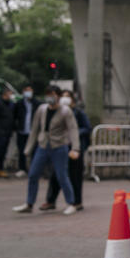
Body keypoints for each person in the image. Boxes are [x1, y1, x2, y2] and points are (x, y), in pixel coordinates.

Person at [11, 85, 80, 216]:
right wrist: (28, 148)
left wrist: (75, 148)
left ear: (58, 96)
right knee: (33, 174)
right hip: (43, 146)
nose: (50, 97)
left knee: (62, 176)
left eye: (53, 94)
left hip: (59, 147)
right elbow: (35, 129)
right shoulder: (42, 109)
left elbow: (73, 129)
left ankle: (71, 203)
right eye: (48, 94)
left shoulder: (65, 111)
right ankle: (29, 203)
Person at [45, 90, 91, 211]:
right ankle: (51, 201)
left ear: (72, 100)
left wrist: (73, 134)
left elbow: (87, 128)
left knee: (75, 175)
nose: (65, 99)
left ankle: (77, 202)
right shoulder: (57, 112)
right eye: (63, 97)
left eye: (67, 97)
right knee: (56, 174)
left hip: (74, 149)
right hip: (60, 147)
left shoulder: (79, 113)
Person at [13, 84, 39, 177]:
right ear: (23, 92)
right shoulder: (19, 103)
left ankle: (34, 169)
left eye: (30, 90)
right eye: (26, 90)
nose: (28, 92)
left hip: (33, 132)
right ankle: (22, 168)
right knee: (21, 151)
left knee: (34, 151)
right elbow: (14, 116)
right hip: (22, 131)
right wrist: (16, 127)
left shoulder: (37, 103)